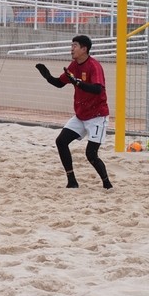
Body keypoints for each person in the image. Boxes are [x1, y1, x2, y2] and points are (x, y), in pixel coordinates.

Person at [35, 35, 113, 190]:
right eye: (71, 45)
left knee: (91, 154)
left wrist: (78, 82)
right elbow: (59, 83)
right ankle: (72, 181)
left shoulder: (94, 66)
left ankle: (107, 184)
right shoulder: (73, 65)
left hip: (97, 116)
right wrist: (48, 76)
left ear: (84, 49)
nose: (71, 48)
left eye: (75, 45)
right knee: (61, 141)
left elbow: (98, 89)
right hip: (81, 115)